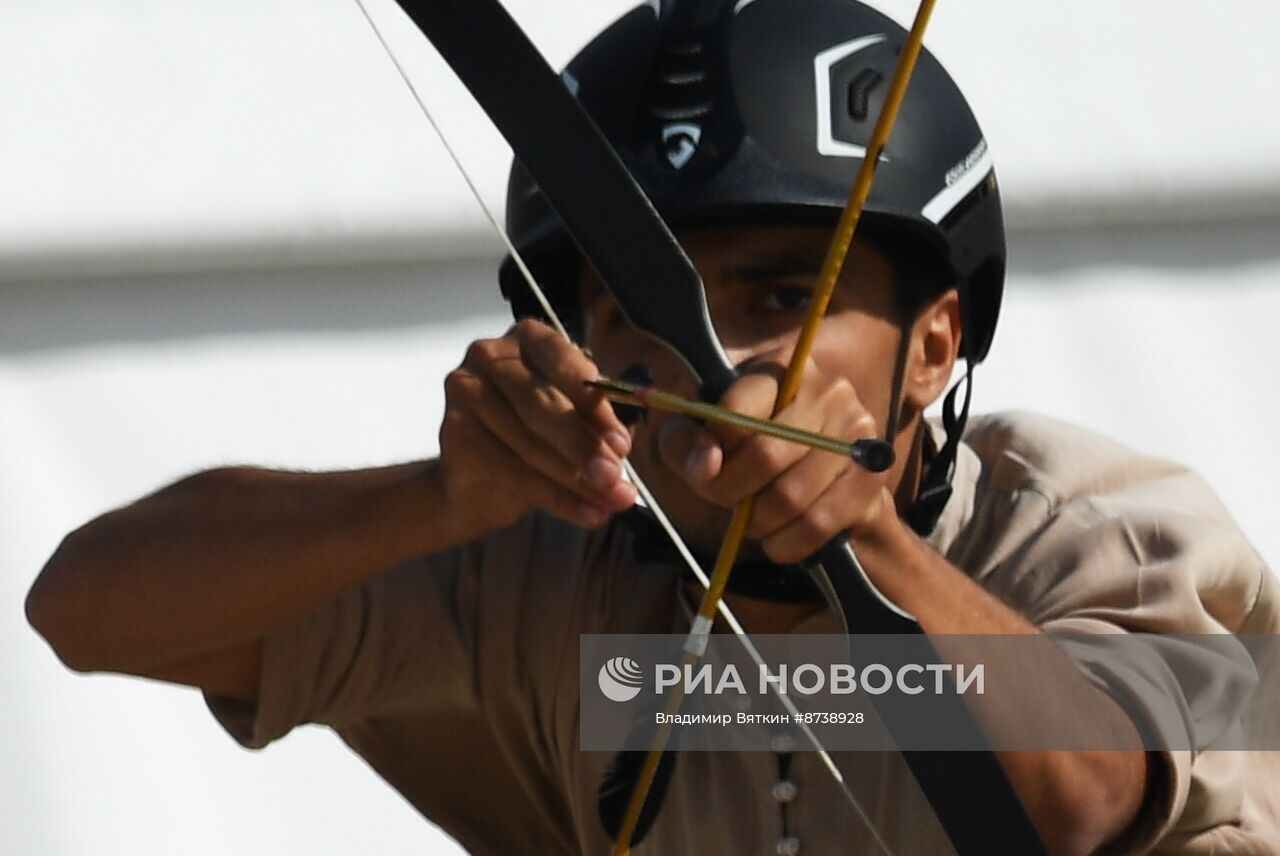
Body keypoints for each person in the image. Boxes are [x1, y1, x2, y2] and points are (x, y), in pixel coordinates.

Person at [25, 0, 1279, 853]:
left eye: (783, 297)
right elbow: (83, 608)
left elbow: (1082, 797)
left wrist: (868, 549)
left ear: (932, 347)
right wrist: (437, 500)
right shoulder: (552, 568)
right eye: (631, 309)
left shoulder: (1105, 532)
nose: (706, 361)